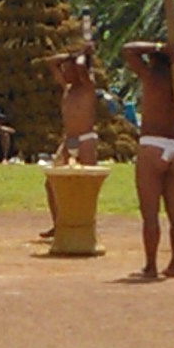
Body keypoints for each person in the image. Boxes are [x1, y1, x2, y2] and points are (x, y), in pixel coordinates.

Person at [120, 37, 174, 279]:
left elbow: (128, 50)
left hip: (152, 145)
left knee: (150, 213)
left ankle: (151, 265)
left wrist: (158, 47)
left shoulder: (152, 78)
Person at [41, 44, 102, 235]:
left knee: (86, 185)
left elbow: (83, 67)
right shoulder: (67, 88)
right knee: (51, 183)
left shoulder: (87, 87)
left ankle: (86, 225)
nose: (65, 71)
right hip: (68, 141)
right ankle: (59, 223)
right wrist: (71, 54)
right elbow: (50, 63)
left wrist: (83, 56)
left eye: (69, 68)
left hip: (85, 140)